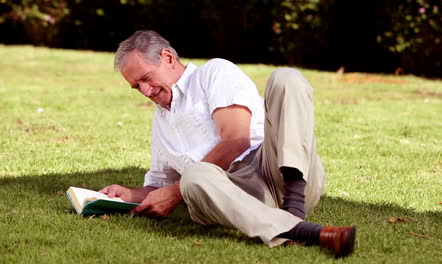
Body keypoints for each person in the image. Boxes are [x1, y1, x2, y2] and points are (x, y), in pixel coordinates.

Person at [99, 30, 356, 257]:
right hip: (225, 199)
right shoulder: (160, 121)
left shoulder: (213, 73)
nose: (145, 91)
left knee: (286, 78)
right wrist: (128, 195)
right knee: (194, 176)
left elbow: (236, 140)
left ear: (167, 57)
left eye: (146, 78)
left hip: (275, 173)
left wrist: (176, 192)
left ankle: (294, 210)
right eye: (136, 87)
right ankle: (308, 232)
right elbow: (161, 186)